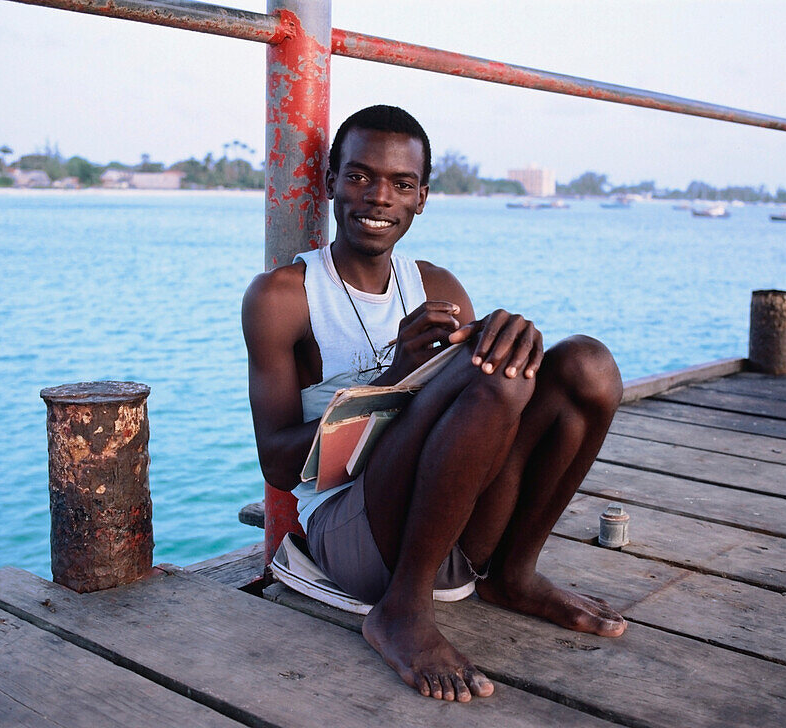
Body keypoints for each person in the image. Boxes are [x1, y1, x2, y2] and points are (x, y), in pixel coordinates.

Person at [242, 105, 625, 703]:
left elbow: (477, 427)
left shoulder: (438, 287)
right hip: (356, 533)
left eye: (401, 184)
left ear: (422, 198)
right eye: (360, 176)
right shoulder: (284, 297)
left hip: (450, 532)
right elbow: (279, 466)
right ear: (330, 184)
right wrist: (396, 378)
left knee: (586, 366)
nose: (378, 198)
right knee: (492, 379)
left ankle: (513, 575)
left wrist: (512, 343)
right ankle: (401, 610)